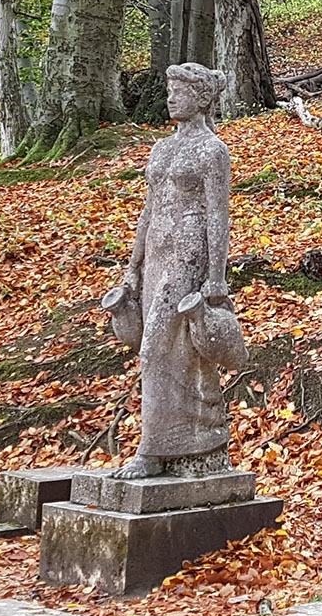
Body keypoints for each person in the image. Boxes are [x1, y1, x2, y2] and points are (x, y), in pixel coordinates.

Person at [99, 62, 242, 480]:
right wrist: (132, 265)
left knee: (156, 347)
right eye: (170, 89)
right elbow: (148, 209)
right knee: (164, 347)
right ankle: (199, 439)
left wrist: (216, 275)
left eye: (180, 90)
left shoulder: (212, 151)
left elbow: (219, 214)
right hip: (157, 249)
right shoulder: (161, 149)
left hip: (188, 249)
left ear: (200, 98)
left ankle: (153, 451)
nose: (170, 96)